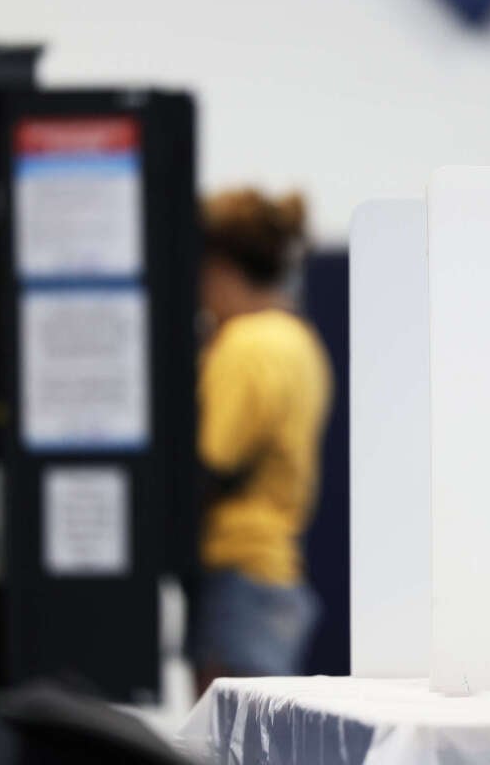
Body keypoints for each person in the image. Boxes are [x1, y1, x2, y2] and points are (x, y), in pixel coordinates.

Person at [191, 188, 333, 693]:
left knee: (227, 738)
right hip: (274, 571)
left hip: (237, 575)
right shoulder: (298, 340)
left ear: (222, 268)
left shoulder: (245, 344)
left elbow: (212, 461)